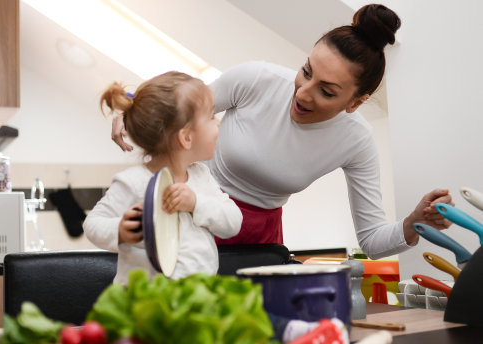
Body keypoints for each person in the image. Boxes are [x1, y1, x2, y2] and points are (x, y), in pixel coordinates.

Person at [109, 4, 453, 259]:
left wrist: (412, 222)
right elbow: (177, 108)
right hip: (189, 212)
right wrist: (132, 105)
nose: (302, 92)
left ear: (356, 102)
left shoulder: (356, 141)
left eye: (327, 91)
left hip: (259, 242)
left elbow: (373, 241)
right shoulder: (256, 79)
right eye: (306, 71)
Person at [84, 71, 242, 284]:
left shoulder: (201, 176)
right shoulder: (134, 181)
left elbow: (233, 222)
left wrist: (196, 203)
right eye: (211, 116)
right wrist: (120, 230)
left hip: (195, 298)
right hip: (144, 303)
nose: (218, 123)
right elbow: (92, 224)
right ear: (186, 137)